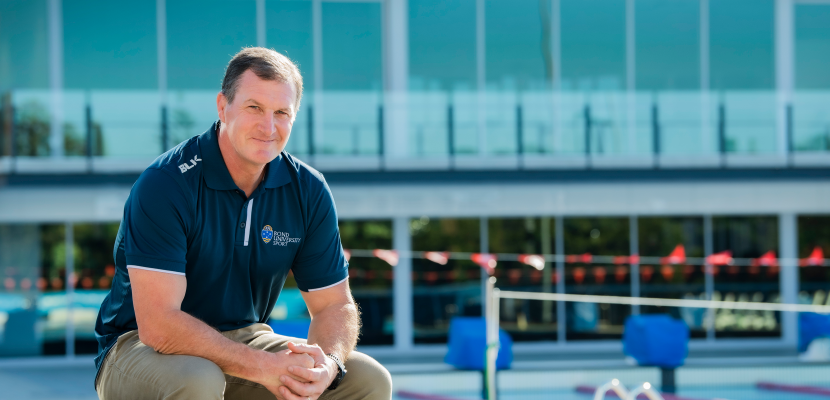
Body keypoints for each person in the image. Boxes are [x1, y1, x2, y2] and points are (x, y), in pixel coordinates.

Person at [93, 47, 392, 400]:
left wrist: (328, 364)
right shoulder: (167, 183)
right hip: (138, 346)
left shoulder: (307, 190)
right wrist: (263, 367)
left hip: (246, 337)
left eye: (282, 112)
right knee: (199, 378)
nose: (269, 127)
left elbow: (333, 306)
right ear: (223, 106)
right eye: (255, 108)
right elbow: (159, 325)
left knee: (367, 378)